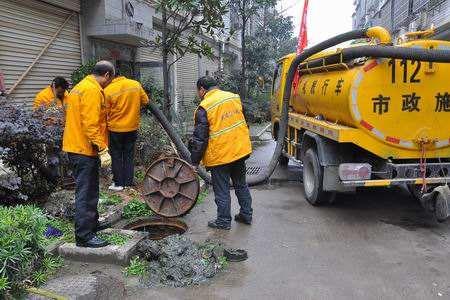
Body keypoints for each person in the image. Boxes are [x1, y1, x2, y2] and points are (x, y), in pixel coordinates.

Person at [190, 76, 253, 230]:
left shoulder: (204, 107)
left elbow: (200, 138)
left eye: (198, 91)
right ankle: (246, 215)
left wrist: (194, 162)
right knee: (241, 185)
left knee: (222, 189)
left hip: (220, 156)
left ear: (202, 90)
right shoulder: (234, 97)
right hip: (239, 151)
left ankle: (224, 221)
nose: (198, 94)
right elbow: (244, 121)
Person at [62, 61, 114, 248]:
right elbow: (91, 125)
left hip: (77, 146)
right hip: (84, 149)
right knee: (85, 191)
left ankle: (92, 224)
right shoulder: (92, 90)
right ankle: (84, 236)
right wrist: (102, 149)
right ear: (107, 75)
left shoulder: (80, 87)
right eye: (110, 79)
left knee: (91, 189)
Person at [104, 74, 149, 191]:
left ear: (112, 78)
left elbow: (105, 111)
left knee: (116, 155)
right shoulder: (135, 84)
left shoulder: (108, 90)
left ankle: (119, 183)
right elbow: (146, 101)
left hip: (115, 129)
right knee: (129, 155)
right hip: (132, 128)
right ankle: (128, 183)